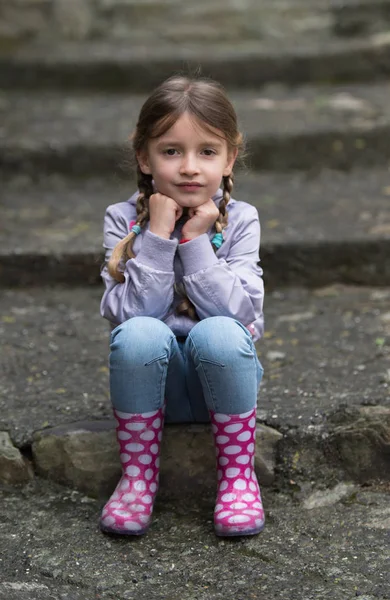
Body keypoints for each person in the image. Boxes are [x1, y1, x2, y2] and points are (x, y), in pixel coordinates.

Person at [99, 75, 265, 537]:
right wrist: (155, 236)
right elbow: (131, 317)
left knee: (219, 331)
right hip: (152, 391)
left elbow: (240, 315)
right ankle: (137, 480)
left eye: (207, 152)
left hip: (226, 382)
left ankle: (237, 479)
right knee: (137, 333)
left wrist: (194, 242)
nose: (190, 167)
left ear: (230, 158)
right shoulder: (122, 220)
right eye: (171, 151)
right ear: (143, 156)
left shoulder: (241, 220)